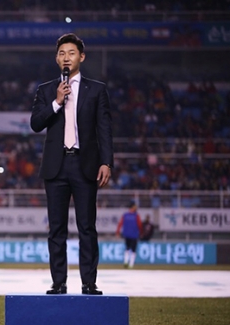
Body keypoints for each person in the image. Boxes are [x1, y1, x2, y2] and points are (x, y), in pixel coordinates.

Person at [30, 33, 113, 295]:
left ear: (82, 57)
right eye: (62, 53)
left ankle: (89, 282)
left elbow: (104, 129)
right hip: (56, 167)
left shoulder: (97, 89)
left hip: (85, 164)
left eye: (72, 53)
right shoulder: (46, 90)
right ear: (57, 59)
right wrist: (56, 102)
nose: (67, 57)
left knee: (87, 227)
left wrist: (106, 162)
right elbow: (35, 124)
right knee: (56, 229)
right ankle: (59, 282)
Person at [116, 201, 143, 269]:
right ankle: (131, 264)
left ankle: (125, 262)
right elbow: (139, 225)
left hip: (127, 234)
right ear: (133, 207)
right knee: (133, 250)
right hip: (134, 235)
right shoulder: (136, 216)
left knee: (127, 248)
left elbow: (120, 224)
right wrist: (141, 232)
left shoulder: (125, 215)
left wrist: (118, 232)